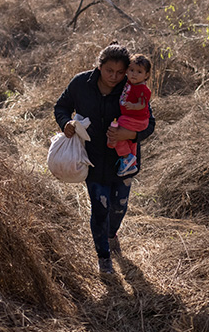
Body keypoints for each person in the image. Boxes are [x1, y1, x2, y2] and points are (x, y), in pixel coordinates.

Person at [54, 43, 155, 275]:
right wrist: (65, 123)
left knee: (119, 207)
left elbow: (150, 124)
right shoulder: (80, 84)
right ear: (99, 66)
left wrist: (129, 134)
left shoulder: (131, 88)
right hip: (92, 160)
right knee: (100, 207)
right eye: (110, 71)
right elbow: (61, 107)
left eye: (121, 72)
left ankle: (111, 235)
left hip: (124, 162)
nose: (115, 77)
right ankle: (103, 256)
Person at [107, 54, 152, 177]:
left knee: (117, 132)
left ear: (146, 75)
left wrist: (133, 106)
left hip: (137, 119)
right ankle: (130, 164)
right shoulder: (129, 82)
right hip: (132, 118)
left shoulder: (142, 89)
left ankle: (126, 156)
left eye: (139, 72)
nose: (134, 74)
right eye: (131, 70)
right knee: (131, 142)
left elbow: (142, 104)